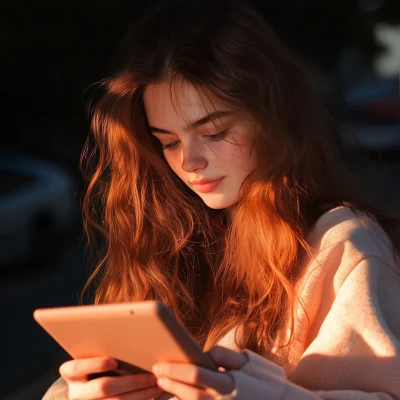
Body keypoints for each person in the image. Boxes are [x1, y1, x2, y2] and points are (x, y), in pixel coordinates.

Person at [43, 0, 400, 399]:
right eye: (169, 142)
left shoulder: (342, 244)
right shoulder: (169, 242)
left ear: (273, 119)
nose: (189, 161)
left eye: (214, 133)